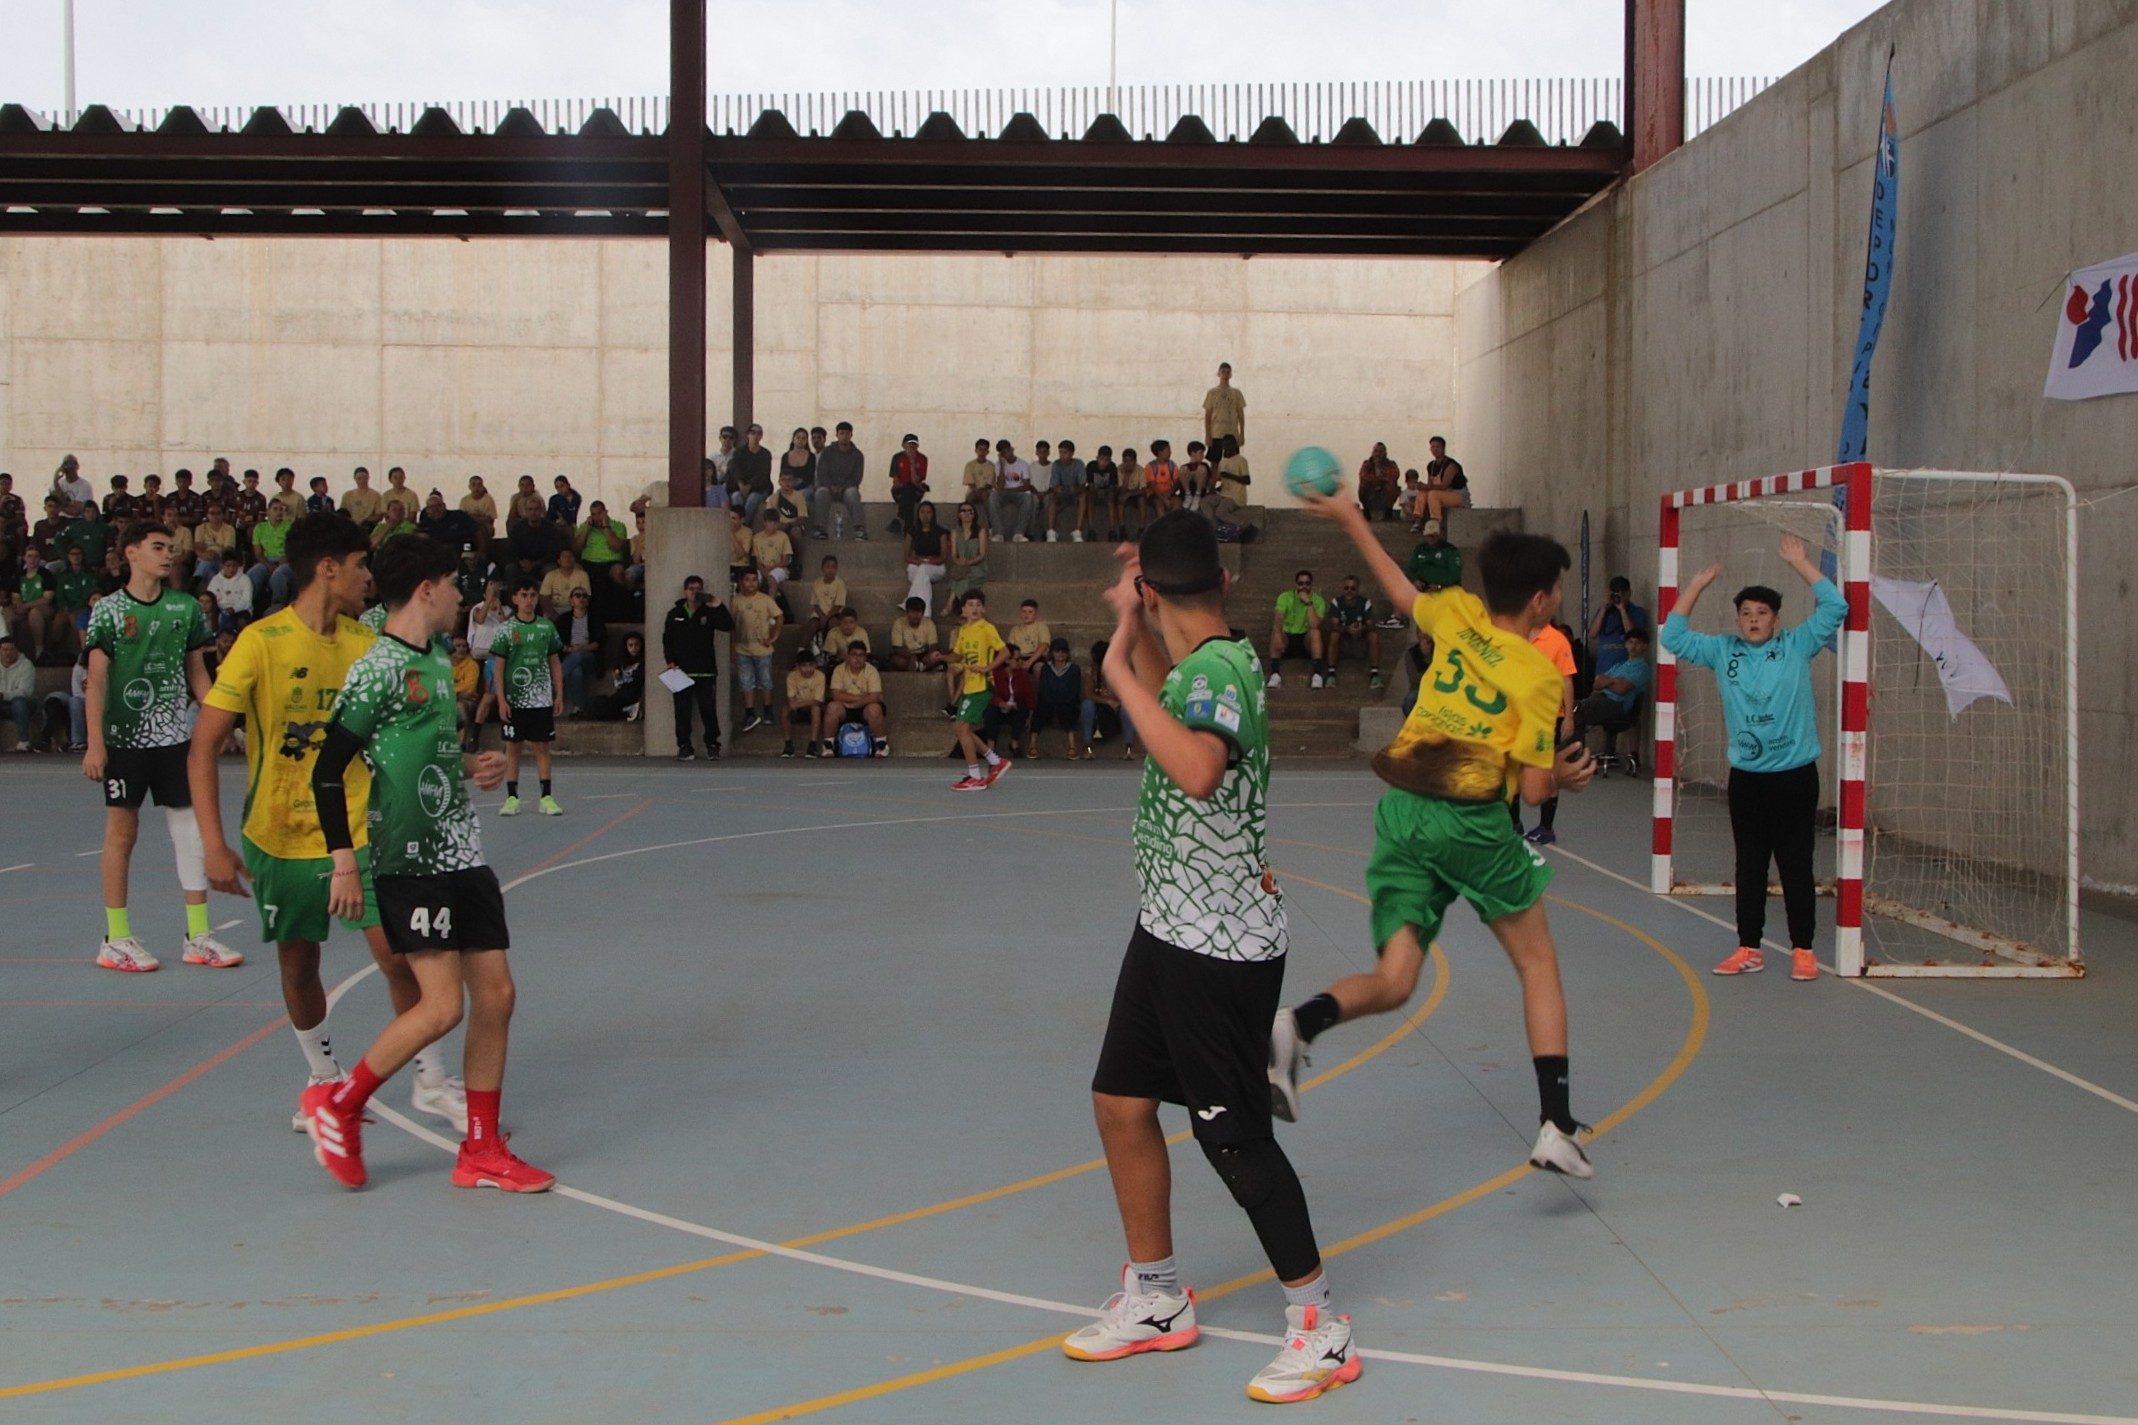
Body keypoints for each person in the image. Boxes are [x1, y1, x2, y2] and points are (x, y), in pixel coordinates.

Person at [1064, 511, 1357, 1402]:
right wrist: (1135, 631)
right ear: (1221, 582)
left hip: (1218, 947)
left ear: (1154, 586)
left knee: (1230, 1137)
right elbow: (1174, 691)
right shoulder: (1205, 663)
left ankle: (1322, 1325)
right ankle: (1155, 1297)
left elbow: (1196, 766)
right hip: (1168, 927)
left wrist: (1113, 663)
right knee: (1121, 1102)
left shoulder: (1228, 666)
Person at [1267, 500, 1600, 1184]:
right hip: (1471, 823)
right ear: (1541, 600)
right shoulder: (1537, 675)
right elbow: (1535, 793)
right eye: (1559, 589)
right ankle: (1557, 1126)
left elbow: (1396, 586)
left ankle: (1297, 1024)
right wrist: (1567, 770)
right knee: (1538, 963)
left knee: (1396, 979)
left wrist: (1350, 518)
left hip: (1402, 811)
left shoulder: (1456, 614)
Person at [188, 514, 465, 1133]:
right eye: (362, 565)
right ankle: (322, 1076)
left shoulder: (367, 645)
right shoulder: (261, 643)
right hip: (279, 834)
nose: (370, 577)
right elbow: (203, 744)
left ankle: (430, 1077)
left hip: (362, 831)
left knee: (399, 958)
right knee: (298, 964)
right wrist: (212, 843)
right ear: (328, 568)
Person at [302, 535, 549, 1194]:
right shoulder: (376, 667)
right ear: (426, 590)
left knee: (496, 995)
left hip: (462, 849)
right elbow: (329, 772)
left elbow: (428, 750)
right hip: (408, 857)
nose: (463, 596)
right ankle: (340, 1102)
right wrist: (344, 860)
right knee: (440, 1006)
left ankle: (480, 1149)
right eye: (454, 583)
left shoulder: (438, 660)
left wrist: (474, 766)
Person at [1662, 535, 1848, 981]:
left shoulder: (1798, 645)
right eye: (1746, 614)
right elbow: (1672, 636)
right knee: (1749, 864)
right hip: (1747, 778)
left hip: (1795, 776)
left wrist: (1802, 563)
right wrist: (1695, 588)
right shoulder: (1723, 650)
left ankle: (1803, 949)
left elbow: (1836, 607)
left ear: (1776, 620)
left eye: (1761, 613)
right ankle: (1749, 946)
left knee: (1795, 863)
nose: (1753, 620)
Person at [82, 521, 240, 973]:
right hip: (124, 739)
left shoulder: (185, 607)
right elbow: (96, 681)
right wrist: (95, 744)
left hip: (174, 738)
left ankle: (199, 936)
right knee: (122, 833)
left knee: (188, 830)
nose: (168, 554)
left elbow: (197, 673)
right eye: (158, 547)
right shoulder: (109, 611)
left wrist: (215, 720)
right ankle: (115, 938)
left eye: (171, 548)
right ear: (131, 553)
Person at [490, 579, 565, 816]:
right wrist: (501, 699)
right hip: (515, 699)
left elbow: (554, 662)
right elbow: (498, 668)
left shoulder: (546, 628)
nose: (529, 600)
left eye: (533, 595)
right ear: (514, 599)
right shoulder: (505, 630)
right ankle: (512, 798)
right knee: (513, 748)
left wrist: (559, 694)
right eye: (524, 594)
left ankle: (546, 797)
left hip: (541, 699)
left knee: (542, 747)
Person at [1511, 617, 1578, 847]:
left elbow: (1566, 680)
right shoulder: (1516, 635)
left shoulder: (1557, 640)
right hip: (1517, 716)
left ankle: (1546, 827)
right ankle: (1514, 824)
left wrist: (1568, 716)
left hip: (1548, 718)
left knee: (1545, 770)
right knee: (1514, 768)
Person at [946, 589, 1012, 791]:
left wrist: (986, 668)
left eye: (977, 605)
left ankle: (975, 775)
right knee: (962, 729)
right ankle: (995, 761)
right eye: (970, 605)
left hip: (982, 685)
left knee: (961, 728)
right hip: (969, 684)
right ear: (963, 610)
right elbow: (957, 656)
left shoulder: (987, 628)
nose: (974, 608)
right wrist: (941, 657)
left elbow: (1005, 652)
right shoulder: (963, 631)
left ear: (983, 608)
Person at [663, 574, 731, 760]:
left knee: (708, 709)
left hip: (705, 670)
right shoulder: (675, 613)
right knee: (682, 711)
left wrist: (717, 605)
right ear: (685, 591)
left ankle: (712, 744)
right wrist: (670, 661)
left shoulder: (708, 612)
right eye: (691, 589)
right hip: (681, 670)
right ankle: (684, 746)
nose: (694, 592)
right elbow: (667, 639)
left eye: (698, 589)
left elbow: (728, 625)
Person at [730, 567, 784, 735]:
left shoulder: (765, 599)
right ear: (741, 582)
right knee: (746, 681)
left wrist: (774, 637)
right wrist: (732, 646)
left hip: (763, 648)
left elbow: (779, 616)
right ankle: (750, 711)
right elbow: (731, 624)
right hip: (742, 648)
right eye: (747, 579)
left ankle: (768, 709)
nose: (751, 583)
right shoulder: (735, 601)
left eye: (754, 579)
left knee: (765, 680)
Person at [1573, 628, 1653, 734]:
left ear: (1645, 646)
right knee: (1570, 710)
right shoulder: (1619, 666)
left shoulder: (1642, 668)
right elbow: (1596, 684)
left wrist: (1607, 682)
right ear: (1626, 645)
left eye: (1637, 643)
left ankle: (1571, 747)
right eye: (1630, 642)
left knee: (1575, 709)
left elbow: (1621, 689)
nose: (1633, 646)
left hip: (1617, 705)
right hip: (1601, 699)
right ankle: (1573, 746)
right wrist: (1614, 681)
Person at [823, 641, 889, 757]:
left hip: (864, 709)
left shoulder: (871, 671)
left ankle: (881, 745)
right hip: (845, 709)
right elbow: (836, 695)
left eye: (861, 655)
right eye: (854, 654)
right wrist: (862, 697)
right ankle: (829, 745)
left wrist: (853, 704)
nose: (857, 658)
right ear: (848, 656)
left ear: (866, 657)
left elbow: (874, 697)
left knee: (875, 708)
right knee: (832, 707)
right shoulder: (839, 670)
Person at [1267, 570, 1328, 689]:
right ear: (1296, 584)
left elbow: (1315, 624)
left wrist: (1309, 603)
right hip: (1287, 639)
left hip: (1305, 641)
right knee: (1276, 630)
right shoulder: (1285, 596)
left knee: (1315, 632)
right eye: (1301, 583)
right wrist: (1278, 635)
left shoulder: (1318, 600)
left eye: (1307, 583)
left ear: (1311, 584)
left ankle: (1317, 674)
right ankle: (1275, 674)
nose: (1304, 587)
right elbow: (1278, 616)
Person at [1029, 636, 1084, 758]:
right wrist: (1051, 701)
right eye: (1057, 651)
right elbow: (1044, 688)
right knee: (1040, 709)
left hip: (1067, 702)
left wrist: (1061, 701)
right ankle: (1032, 745)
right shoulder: (1046, 668)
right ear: (1052, 653)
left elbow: (1074, 690)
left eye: (1063, 651)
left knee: (1067, 709)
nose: (1060, 654)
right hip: (1049, 701)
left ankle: (1072, 746)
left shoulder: (1074, 669)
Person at [1325, 574, 1383, 689]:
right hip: (1343, 635)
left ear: (1358, 589)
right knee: (1333, 635)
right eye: (1346, 588)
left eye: (1352, 588)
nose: (1349, 591)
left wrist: (1361, 628)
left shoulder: (1365, 602)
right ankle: (1331, 673)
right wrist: (1347, 629)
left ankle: (1375, 674)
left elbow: (1371, 623)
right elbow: (1333, 624)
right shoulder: (1336, 602)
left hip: (1360, 635)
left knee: (1374, 636)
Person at [574, 500, 631, 616]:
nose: (596, 517)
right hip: (588, 562)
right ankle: (579, 611)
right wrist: (587, 529)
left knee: (618, 571)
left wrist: (606, 526)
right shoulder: (584, 527)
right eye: (593, 514)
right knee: (576, 569)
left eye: (599, 513)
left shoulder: (618, 526)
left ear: (605, 512)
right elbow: (576, 548)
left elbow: (617, 547)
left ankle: (621, 612)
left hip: (611, 562)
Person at [1587, 575, 1651, 677]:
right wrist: (1604, 608)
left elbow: (1633, 635)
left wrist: (1622, 610)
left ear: (1629, 593)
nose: (1618, 597)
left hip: (1627, 672)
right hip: (1604, 670)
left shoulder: (1637, 612)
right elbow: (1592, 634)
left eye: (1621, 594)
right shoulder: (1604, 612)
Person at [554, 587, 604, 716]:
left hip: (589, 658)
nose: (581, 598)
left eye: (584, 596)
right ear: (571, 600)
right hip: (569, 657)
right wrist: (568, 649)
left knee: (579, 655)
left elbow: (599, 642)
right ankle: (578, 708)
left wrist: (580, 648)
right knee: (576, 671)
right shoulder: (563, 619)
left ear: (587, 601)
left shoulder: (595, 618)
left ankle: (556, 679)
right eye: (577, 595)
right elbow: (556, 642)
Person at [1083, 638, 1137, 759]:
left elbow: (1129, 692)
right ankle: (1088, 747)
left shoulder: (1121, 669)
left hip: (1118, 707)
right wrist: (1108, 701)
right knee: (1087, 705)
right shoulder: (1091, 670)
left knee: (1127, 709)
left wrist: (1118, 702)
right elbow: (1088, 694)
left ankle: (1129, 748)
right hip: (1100, 708)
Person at [813, 421, 866, 539]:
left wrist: (843, 487)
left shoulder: (857, 455)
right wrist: (831, 486)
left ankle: (859, 529)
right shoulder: (827, 452)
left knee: (853, 493)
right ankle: (820, 529)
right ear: (837, 435)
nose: (844, 436)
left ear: (851, 435)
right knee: (820, 492)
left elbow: (857, 477)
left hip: (847, 489)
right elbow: (822, 473)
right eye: (842, 433)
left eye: (847, 434)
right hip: (829, 488)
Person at [581, 631, 645, 722]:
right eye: (630, 645)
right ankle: (625, 711)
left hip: (632, 695)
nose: (634, 648)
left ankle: (628, 710)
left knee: (604, 708)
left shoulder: (643, 663)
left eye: (636, 645)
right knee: (596, 705)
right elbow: (618, 684)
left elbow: (637, 683)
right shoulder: (622, 663)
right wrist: (617, 677)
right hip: (620, 694)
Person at [902, 501, 949, 611]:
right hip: (916, 564)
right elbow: (906, 556)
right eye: (922, 512)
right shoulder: (911, 531)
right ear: (918, 514)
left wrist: (927, 562)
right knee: (924, 581)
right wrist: (919, 562)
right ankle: (926, 613)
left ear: (933, 514)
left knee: (923, 571)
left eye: (928, 512)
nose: (925, 515)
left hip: (936, 566)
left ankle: (909, 602)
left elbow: (943, 557)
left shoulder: (941, 532)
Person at [782, 648, 826, 758]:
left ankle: (812, 744)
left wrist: (799, 703)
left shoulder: (820, 676)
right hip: (798, 710)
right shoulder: (791, 677)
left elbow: (818, 701)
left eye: (810, 665)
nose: (808, 669)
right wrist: (797, 704)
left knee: (816, 709)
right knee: (784, 710)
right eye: (804, 665)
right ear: (797, 667)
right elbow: (791, 702)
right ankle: (788, 744)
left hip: (812, 707)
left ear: (815, 665)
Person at [990, 440, 1037, 543]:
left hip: (1019, 493)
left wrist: (1009, 490)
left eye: (1008, 450)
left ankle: (1019, 533)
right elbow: (1000, 486)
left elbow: (1026, 486)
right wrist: (1002, 466)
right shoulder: (998, 465)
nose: (1007, 454)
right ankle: (998, 533)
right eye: (1003, 452)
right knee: (993, 496)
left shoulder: (1023, 464)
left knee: (1028, 497)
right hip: (1004, 494)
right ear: (1000, 454)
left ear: (1012, 449)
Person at [946, 502, 990, 612]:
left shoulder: (980, 531)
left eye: (970, 511)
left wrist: (968, 562)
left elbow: (982, 554)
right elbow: (953, 555)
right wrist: (959, 561)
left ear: (974, 514)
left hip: (977, 565)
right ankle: (962, 608)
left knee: (964, 577)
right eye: (963, 511)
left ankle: (950, 604)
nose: (966, 513)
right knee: (962, 574)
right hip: (961, 564)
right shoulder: (955, 532)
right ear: (959, 514)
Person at [1044, 439, 1089, 542]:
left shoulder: (1079, 464)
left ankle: (1078, 531)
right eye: (1060, 452)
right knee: (1052, 496)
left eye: (1065, 452)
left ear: (1072, 453)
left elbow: (1082, 484)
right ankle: (1051, 532)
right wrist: (1061, 489)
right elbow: (1055, 485)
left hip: (1075, 494)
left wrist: (1076, 489)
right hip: (1061, 494)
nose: (1062, 455)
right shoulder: (1056, 464)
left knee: (1083, 496)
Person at [805, 555, 848, 659]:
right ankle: (803, 652)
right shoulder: (817, 583)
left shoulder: (840, 584)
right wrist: (821, 616)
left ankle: (832, 654)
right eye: (828, 567)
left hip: (834, 614)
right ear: (822, 568)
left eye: (833, 567)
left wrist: (826, 617)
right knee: (811, 625)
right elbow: (815, 603)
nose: (830, 570)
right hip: (819, 613)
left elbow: (838, 605)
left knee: (833, 624)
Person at [887, 596, 946, 673]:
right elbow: (897, 648)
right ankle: (923, 668)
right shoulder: (898, 623)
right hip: (906, 655)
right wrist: (911, 657)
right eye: (912, 612)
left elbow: (933, 645)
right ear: (906, 612)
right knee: (896, 660)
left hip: (924, 655)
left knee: (936, 656)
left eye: (918, 612)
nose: (915, 615)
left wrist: (927, 657)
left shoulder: (929, 623)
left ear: (923, 613)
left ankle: (919, 667)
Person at [1405, 519, 1461, 597]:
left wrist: (1440, 585)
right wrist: (1415, 580)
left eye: (1434, 535)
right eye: (1429, 535)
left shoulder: (1451, 550)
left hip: (1445, 591)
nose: (1431, 538)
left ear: (1439, 535)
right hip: (1423, 589)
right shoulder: (1420, 549)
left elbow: (1455, 574)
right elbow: (1410, 568)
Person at [1420, 436, 1468, 527]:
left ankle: (1436, 522)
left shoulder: (1451, 464)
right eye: (1432, 447)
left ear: (1443, 448)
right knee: (1422, 493)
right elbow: (1430, 484)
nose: (1435, 449)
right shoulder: (1431, 465)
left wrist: (1427, 486)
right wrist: (1422, 487)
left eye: (1437, 447)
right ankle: (1417, 519)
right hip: (1441, 494)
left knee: (1433, 494)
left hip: (1457, 495)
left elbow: (1444, 485)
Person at [731, 425, 774, 524]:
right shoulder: (739, 452)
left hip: (760, 488)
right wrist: (741, 485)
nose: (756, 436)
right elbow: (735, 470)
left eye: (759, 433)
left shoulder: (765, 454)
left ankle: (744, 525)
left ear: (761, 436)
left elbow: (763, 474)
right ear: (748, 434)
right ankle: (737, 524)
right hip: (740, 486)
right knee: (735, 497)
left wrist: (749, 486)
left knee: (753, 498)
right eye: (753, 432)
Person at [888, 433, 929, 535]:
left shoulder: (922, 458)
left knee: (909, 491)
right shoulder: (897, 457)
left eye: (914, 444)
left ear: (917, 446)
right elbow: (896, 482)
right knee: (907, 490)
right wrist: (906, 485)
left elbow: (916, 481)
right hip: (900, 490)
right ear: (903, 445)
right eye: (908, 444)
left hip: (916, 489)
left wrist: (912, 463)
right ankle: (909, 526)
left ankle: (900, 518)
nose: (911, 447)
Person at [0, 634, 35, 751]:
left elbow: (25, 692)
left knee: (19, 702)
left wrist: (3, 695)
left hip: (24, 704)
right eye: (5, 649)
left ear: (17, 650)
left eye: (11, 649)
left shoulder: (26, 665)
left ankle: (24, 743)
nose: (8, 653)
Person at [1202, 360, 1246, 451]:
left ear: (1231, 375)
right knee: (1215, 462)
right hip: (1216, 433)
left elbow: (1241, 415)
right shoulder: (1212, 393)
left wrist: (1242, 434)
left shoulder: (1236, 393)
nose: (1225, 375)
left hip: (1232, 434)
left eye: (1228, 372)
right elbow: (1208, 415)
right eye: (1223, 372)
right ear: (1218, 374)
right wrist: (1207, 435)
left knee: (1232, 461)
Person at [206, 553, 254, 630]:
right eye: (228, 566)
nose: (231, 569)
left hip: (240, 610)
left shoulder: (245, 579)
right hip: (220, 609)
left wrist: (233, 609)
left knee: (241, 621)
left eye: (234, 566)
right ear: (222, 566)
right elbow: (210, 597)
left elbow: (246, 601)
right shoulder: (215, 579)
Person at [959, 436, 997, 530]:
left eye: (985, 450)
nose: (982, 452)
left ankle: (991, 525)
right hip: (973, 491)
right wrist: (977, 491)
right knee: (968, 501)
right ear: (976, 450)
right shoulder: (970, 465)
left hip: (986, 492)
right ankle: (966, 525)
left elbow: (989, 484)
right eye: (980, 449)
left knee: (986, 495)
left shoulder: (992, 466)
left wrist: (982, 491)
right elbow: (971, 483)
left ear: (988, 451)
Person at [1356, 443, 1400, 522]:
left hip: (1385, 494)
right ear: (1372, 452)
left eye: (1380, 452)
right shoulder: (1366, 464)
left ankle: (1388, 512)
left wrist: (1379, 471)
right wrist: (1379, 479)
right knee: (1362, 485)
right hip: (1371, 493)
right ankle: (1366, 512)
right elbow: (1363, 476)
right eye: (1376, 451)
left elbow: (1394, 475)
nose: (1378, 454)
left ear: (1385, 453)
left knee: (1392, 485)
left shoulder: (1391, 464)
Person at [1086, 445, 1121, 541]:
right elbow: (1090, 484)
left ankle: (1112, 530)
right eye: (1101, 459)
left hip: (1107, 493)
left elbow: (1113, 486)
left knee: (1111, 499)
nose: (1103, 462)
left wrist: (1105, 491)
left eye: (1106, 460)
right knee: (1090, 499)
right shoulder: (1091, 466)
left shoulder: (1112, 467)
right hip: (1094, 492)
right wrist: (1097, 491)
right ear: (1097, 458)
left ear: (1110, 460)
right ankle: (1091, 529)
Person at [1006, 597, 1051, 671]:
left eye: (1030, 612)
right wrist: (1018, 661)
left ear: (1036, 613)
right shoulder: (1015, 629)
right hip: (1019, 658)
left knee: (1039, 668)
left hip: (1037, 658)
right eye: (1024, 611)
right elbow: (1011, 649)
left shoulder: (1041, 626)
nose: (1026, 614)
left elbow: (1044, 645)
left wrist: (1030, 661)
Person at [1178, 440, 1214, 512]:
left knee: (1201, 468)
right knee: (1183, 469)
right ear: (1192, 454)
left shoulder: (1205, 466)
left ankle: (1197, 496)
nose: (1203, 456)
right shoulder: (1184, 467)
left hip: (1200, 494)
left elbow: (1210, 481)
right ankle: (1188, 495)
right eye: (1200, 453)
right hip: (1187, 494)